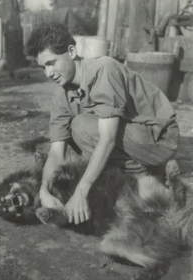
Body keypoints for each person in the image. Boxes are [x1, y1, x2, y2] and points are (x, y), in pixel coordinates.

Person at [26, 22, 179, 225]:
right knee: (76, 134)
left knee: (82, 126)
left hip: (158, 138)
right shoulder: (61, 96)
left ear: (71, 51)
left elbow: (107, 139)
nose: (48, 73)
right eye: (43, 67)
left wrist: (81, 192)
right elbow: (56, 152)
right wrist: (44, 189)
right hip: (131, 139)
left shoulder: (103, 69)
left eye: (51, 63)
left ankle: (146, 181)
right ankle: (130, 176)